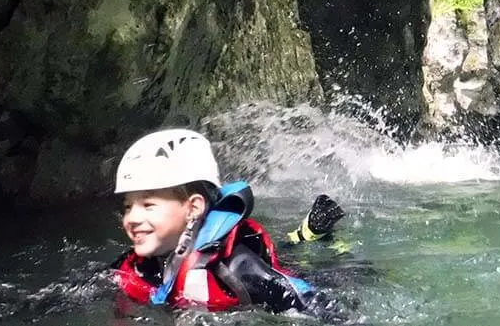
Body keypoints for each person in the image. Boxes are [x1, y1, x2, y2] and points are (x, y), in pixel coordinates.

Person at [110, 128, 346, 318]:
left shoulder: (237, 268)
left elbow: (321, 308)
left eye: (148, 205)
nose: (132, 218)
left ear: (193, 208)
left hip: (287, 274)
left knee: (318, 268)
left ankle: (307, 234)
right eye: (128, 207)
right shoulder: (136, 264)